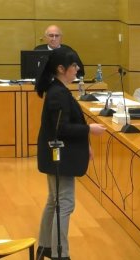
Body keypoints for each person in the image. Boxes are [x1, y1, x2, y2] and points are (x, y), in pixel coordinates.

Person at [35, 47, 106, 260]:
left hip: (58, 154)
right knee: (65, 203)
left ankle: (46, 247)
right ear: (61, 69)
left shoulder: (58, 89)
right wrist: (90, 130)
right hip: (59, 157)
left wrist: (86, 144)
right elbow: (62, 129)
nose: (77, 70)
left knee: (54, 201)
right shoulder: (58, 93)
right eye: (74, 66)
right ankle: (60, 253)